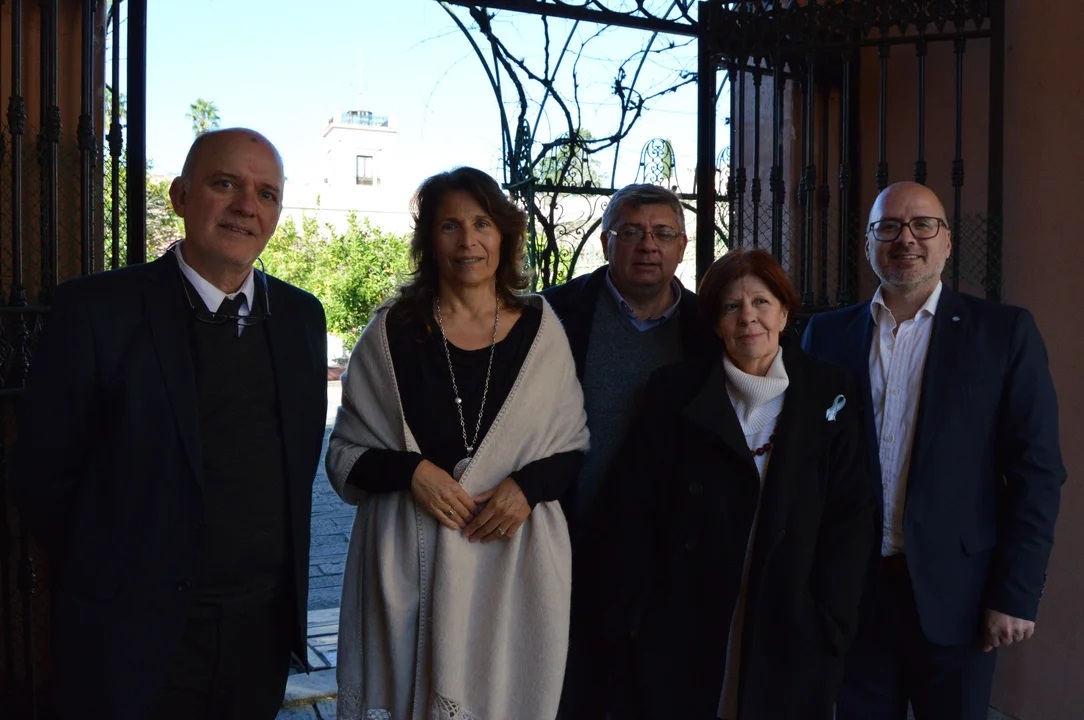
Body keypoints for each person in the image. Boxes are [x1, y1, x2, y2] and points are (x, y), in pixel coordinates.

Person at [9, 128, 329, 720]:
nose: (246, 207)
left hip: (256, 637)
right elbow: (42, 479)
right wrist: (112, 577)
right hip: (132, 639)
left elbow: (298, 459)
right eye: (225, 183)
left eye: (267, 194)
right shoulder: (95, 311)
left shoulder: (301, 317)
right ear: (181, 196)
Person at [325, 166, 589, 720]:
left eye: (482, 223)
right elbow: (344, 455)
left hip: (511, 566)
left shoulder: (543, 329)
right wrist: (411, 472)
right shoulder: (390, 332)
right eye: (449, 226)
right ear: (429, 240)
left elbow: (571, 446)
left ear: (504, 235)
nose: (468, 240)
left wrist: (527, 486)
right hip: (409, 566)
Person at [802, 181, 1065, 719]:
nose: (906, 239)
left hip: (959, 599)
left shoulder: (1003, 334)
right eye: (888, 227)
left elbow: (1037, 473)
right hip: (852, 596)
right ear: (869, 242)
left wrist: (1015, 593)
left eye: (923, 225)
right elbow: (805, 469)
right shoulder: (825, 336)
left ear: (947, 243)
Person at [594, 248, 873, 719]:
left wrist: (831, 622)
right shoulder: (673, 391)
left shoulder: (831, 393)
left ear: (784, 312)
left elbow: (851, 517)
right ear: (716, 321)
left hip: (792, 613)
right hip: (687, 613)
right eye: (731, 306)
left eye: (762, 303)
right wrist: (637, 612)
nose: (748, 318)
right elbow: (632, 505)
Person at [541, 183, 716, 718]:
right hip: (564, 535)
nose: (648, 245)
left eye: (663, 233)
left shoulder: (710, 329)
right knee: (565, 692)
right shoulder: (555, 314)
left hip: (663, 552)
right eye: (632, 231)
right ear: (605, 240)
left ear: (683, 246)